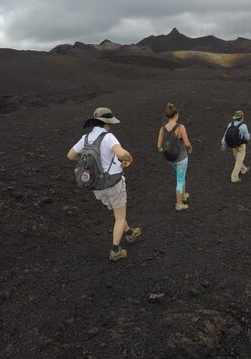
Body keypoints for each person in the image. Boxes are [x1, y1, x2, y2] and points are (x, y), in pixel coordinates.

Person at [67, 107, 141, 262]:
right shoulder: (109, 137)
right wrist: (129, 159)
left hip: (97, 186)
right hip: (113, 183)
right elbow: (121, 154)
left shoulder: (86, 138)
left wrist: (89, 164)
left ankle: (129, 232)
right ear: (106, 123)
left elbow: (71, 155)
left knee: (116, 211)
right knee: (119, 217)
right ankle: (115, 250)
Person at [157, 102, 193, 211]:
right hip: (181, 158)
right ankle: (179, 203)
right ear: (176, 115)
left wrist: (166, 153)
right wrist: (190, 148)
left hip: (170, 159)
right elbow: (187, 143)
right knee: (180, 179)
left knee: (181, 175)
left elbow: (158, 146)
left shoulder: (162, 129)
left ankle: (184, 194)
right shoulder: (180, 127)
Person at [221, 110, 251, 183]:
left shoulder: (230, 124)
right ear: (241, 118)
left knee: (238, 159)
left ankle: (243, 169)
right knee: (239, 161)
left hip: (233, 145)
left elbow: (225, 135)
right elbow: (247, 138)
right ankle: (234, 177)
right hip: (240, 145)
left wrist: (223, 144)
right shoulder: (243, 126)